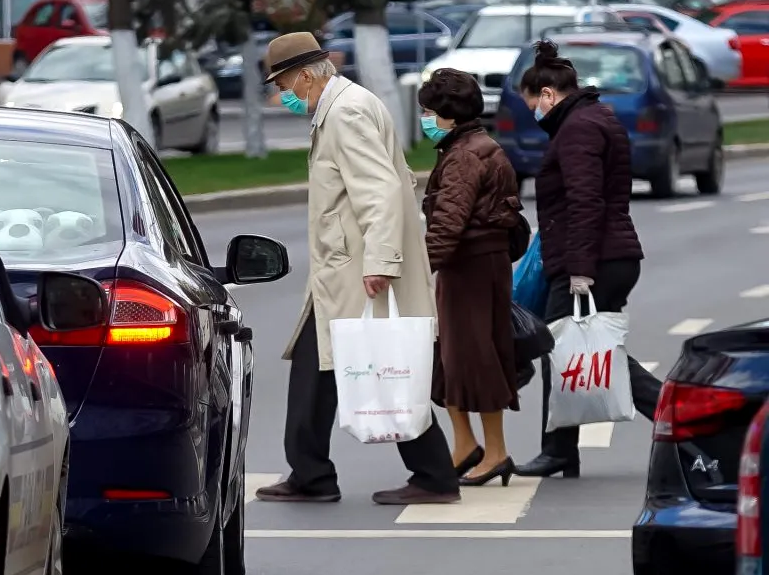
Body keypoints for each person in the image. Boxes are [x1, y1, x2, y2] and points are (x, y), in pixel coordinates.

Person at [252, 32, 461, 506]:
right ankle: (312, 473)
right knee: (321, 367)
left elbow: (381, 190)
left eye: (283, 82)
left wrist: (381, 262)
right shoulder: (345, 106)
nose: (281, 94)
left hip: (357, 270)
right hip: (344, 269)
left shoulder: (344, 112)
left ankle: (430, 475)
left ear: (306, 75)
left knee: (382, 368)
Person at [513, 40, 663, 479]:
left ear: (547, 94)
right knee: (589, 349)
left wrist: (579, 269)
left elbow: (585, 202)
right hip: (607, 256)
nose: (533, 116)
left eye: (532, 105)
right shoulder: (591, 118)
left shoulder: (578, 128)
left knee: (562, 348)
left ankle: (682, 415)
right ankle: (562, 448)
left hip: (594, 261)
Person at [418, 69, 524, 487]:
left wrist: (417, 267)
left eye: (428, 111)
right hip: (478, 264)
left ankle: (495, 452)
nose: (425, 119)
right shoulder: (474, 145)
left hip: (471, 268)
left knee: (476, 358)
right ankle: (465, 444)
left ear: (447, 115)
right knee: (452, 360)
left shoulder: (464, 155)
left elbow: (449, 222)